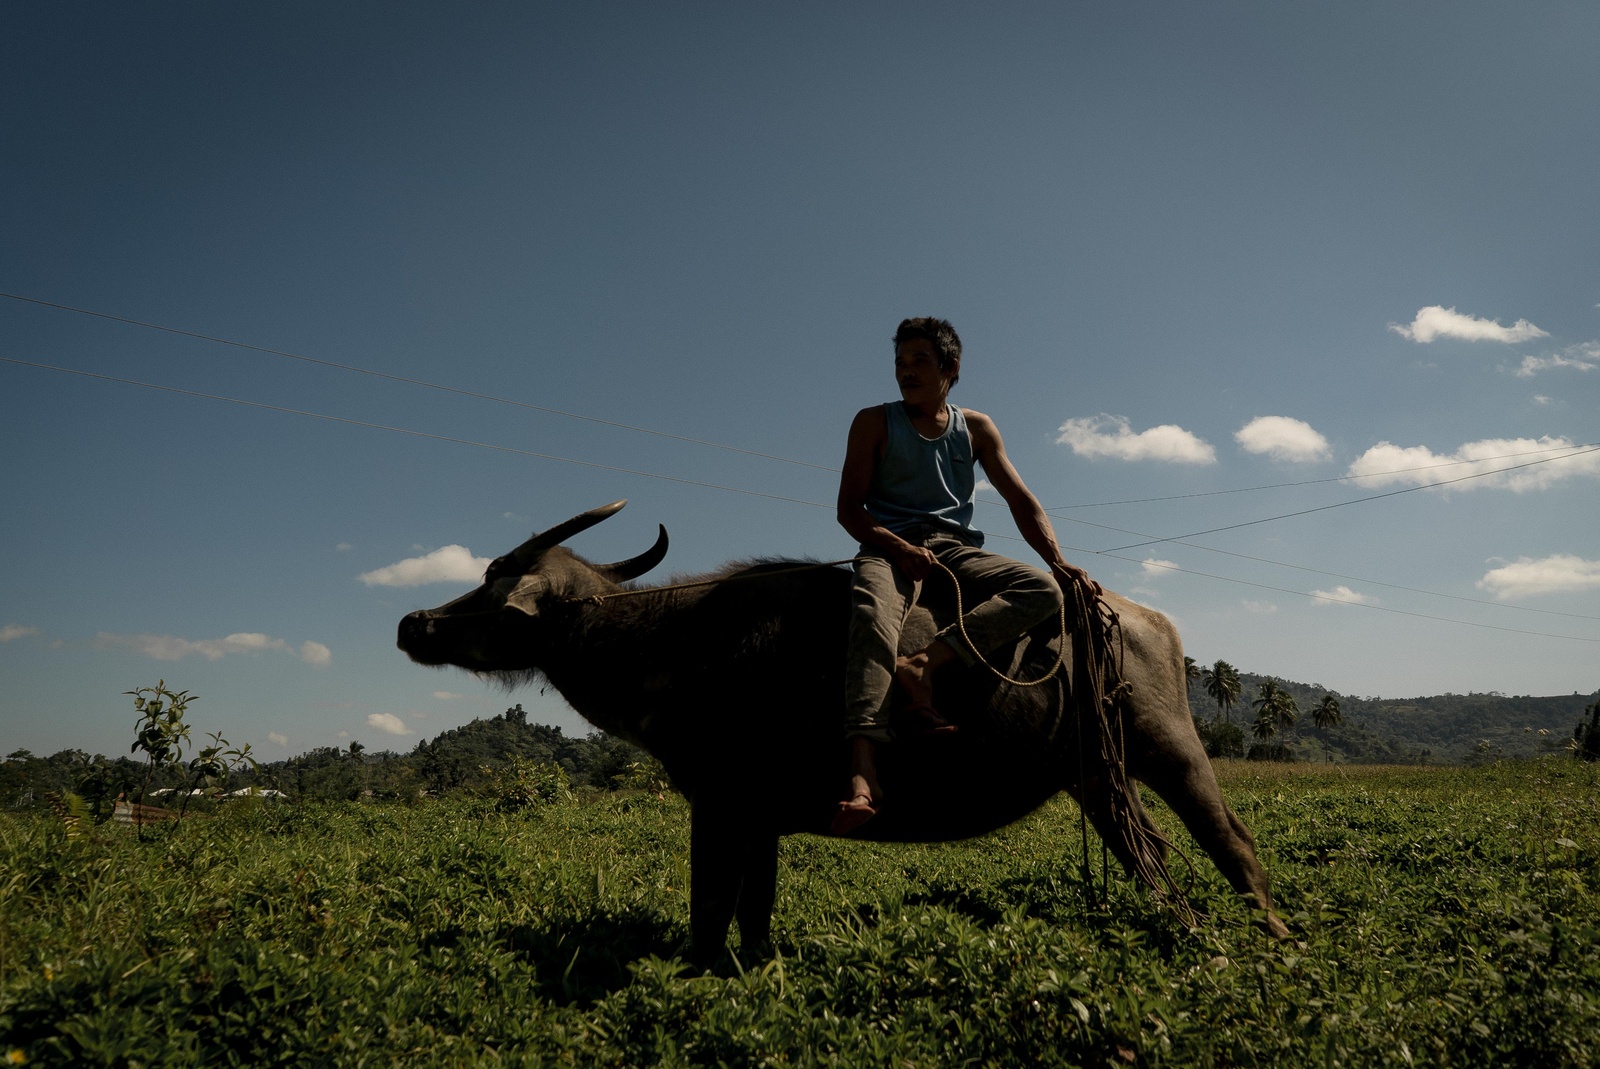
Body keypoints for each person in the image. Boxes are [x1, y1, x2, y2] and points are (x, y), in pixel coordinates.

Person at [832, 317, 1100, 834]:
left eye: (920, 361)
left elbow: (1021, 500)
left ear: (951, 368)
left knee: (1041, 589)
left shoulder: (976, 428)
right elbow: (849, 510)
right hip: (888, 549)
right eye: (900, 362)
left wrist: (1058, 561)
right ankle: (863, 769)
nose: (906, 372)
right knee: (871, 617)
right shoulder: (873, 422)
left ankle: (923, 663)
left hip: (954, 549)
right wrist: (898, 546)